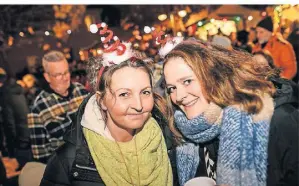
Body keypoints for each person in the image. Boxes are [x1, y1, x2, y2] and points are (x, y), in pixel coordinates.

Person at [40, 28, 173, 185]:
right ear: (101, 100)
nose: (138, 105)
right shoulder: (68, 161)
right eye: (124, 94)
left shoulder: (167, 139)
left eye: (145, 92)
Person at [162, 38, 275, 186]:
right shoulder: (180, 131)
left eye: (187, 81)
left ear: (213, 76)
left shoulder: (265, 121)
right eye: (172, 88)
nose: (179, 96)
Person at [27, 51, 89, 163]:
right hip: (68, 171)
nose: (65, 78)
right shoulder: (38, 109)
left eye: (66, 72)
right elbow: (41, 156)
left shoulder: (81, 91)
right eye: (58, 75)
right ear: (47, 77)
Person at [253, 50, 298, 186]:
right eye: (253, 67)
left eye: (262, 67)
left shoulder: (283, 116)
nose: (257, 71)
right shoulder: (249, 112)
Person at [0, 67, 31, 169]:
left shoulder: (4, 95)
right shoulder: (17, 90)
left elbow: (9, 124)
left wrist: (11, 151)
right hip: (29, 137)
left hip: (20, 144)